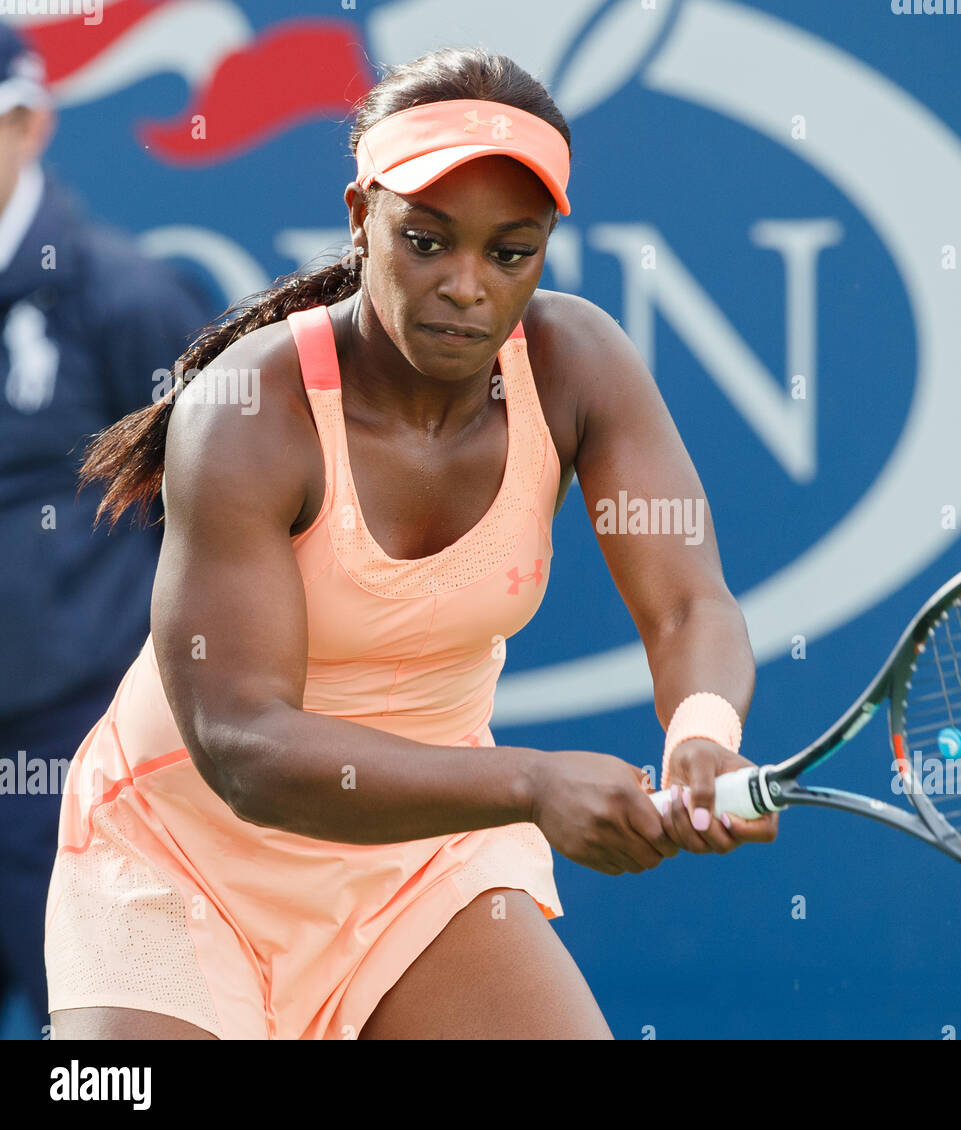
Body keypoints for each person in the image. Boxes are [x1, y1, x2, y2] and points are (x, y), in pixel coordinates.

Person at [45, 46, 776, 1041]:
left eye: (509, 252)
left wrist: (701, 730)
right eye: (427, 241)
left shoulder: (578, 364)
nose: (467, 286)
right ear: (361, 216)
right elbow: (243, 744)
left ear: (546, 247)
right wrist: (529, 781)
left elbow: (689, 602)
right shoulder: (247, 409)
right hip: (179, 857)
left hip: (423, 847)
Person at [0, 23, 209, 1038]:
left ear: (29, 122)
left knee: (101, 1057)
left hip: (80, 770)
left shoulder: (125, 297)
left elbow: (222, 529)